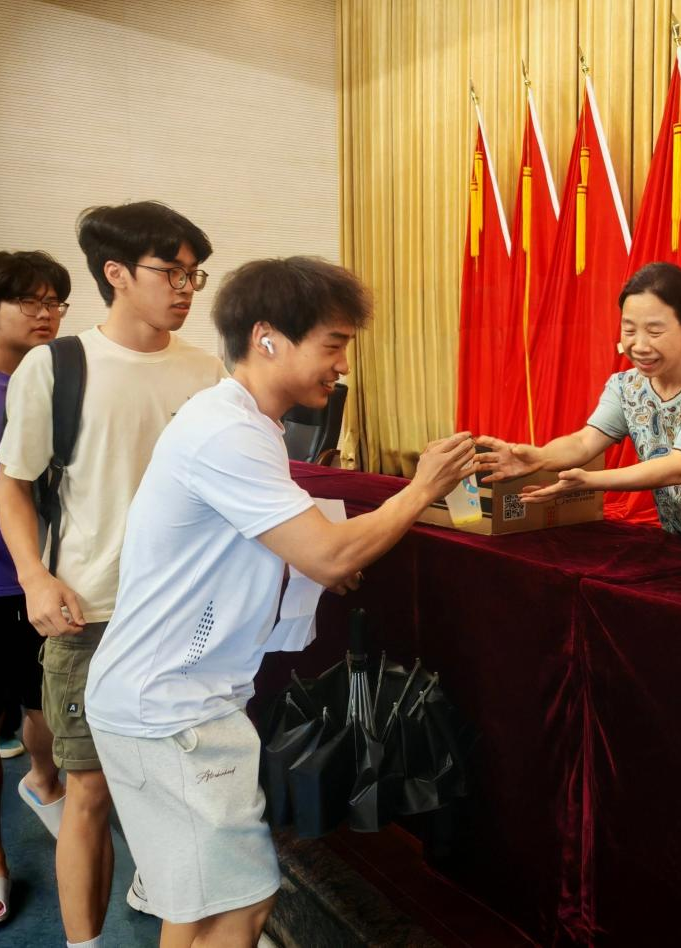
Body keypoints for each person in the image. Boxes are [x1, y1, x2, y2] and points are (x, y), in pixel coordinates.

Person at [83, 256, 475, 946]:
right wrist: (422, 488)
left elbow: (285, 543)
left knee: (203, 904)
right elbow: (327, 552)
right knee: (237, 906)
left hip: (176, 699)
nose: (342, 366)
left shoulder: (243, 421)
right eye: (333, 345)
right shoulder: (228, 431)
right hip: (170, 707)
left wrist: (320, 561)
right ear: (267, 337)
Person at [0, 202, 226, 948]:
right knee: (90, 790)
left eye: (195, 274)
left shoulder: (206, 371)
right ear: (117, 273)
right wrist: (34, 577)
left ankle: (165, 888)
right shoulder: (57, 366)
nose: (186, 288)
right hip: (91, 614)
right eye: (172, 272)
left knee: (182, 783)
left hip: (187, 620)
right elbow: (13, 482)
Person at [477, 261, 681, 542]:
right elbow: (583, 443)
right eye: (629, 330)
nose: (639, 346)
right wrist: (539, 457)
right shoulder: (626, 386)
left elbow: (680, 466)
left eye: (654, 332)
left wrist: (590, 481)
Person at [0, 251, 70, 929]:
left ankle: (44, 781)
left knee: (46, 711)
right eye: (32, 301)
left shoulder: (59, 380)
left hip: (48, 577)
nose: (47, 314)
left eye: (55, 301)